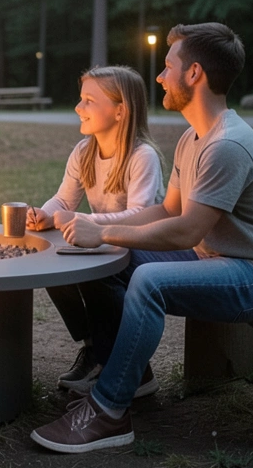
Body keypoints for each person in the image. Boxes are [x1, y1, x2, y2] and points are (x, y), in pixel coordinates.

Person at [31, 22, 253, 453]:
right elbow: (166, 210)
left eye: (167, 67)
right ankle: (129, 372)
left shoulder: (227, 144)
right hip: (216, 259)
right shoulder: (192, 139)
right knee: (102, 261)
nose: (159, 77)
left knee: (148, 280)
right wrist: (104, 238)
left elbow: (186, 230)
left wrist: (102, 229)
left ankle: (109, 411)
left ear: (194, 74)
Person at [24, 66, 165, 397]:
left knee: (95, 272)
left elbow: (142, 215)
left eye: (89, 100)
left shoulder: (141, 156)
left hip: (143, 245)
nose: (78, 107)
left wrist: (85, 221)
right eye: (80, 99)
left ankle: (128, 366)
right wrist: (45, 214)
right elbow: (64, 199)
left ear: (120, 111)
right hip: (106, 242)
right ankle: (95, 348)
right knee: (51, 263)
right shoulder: (84, 151)